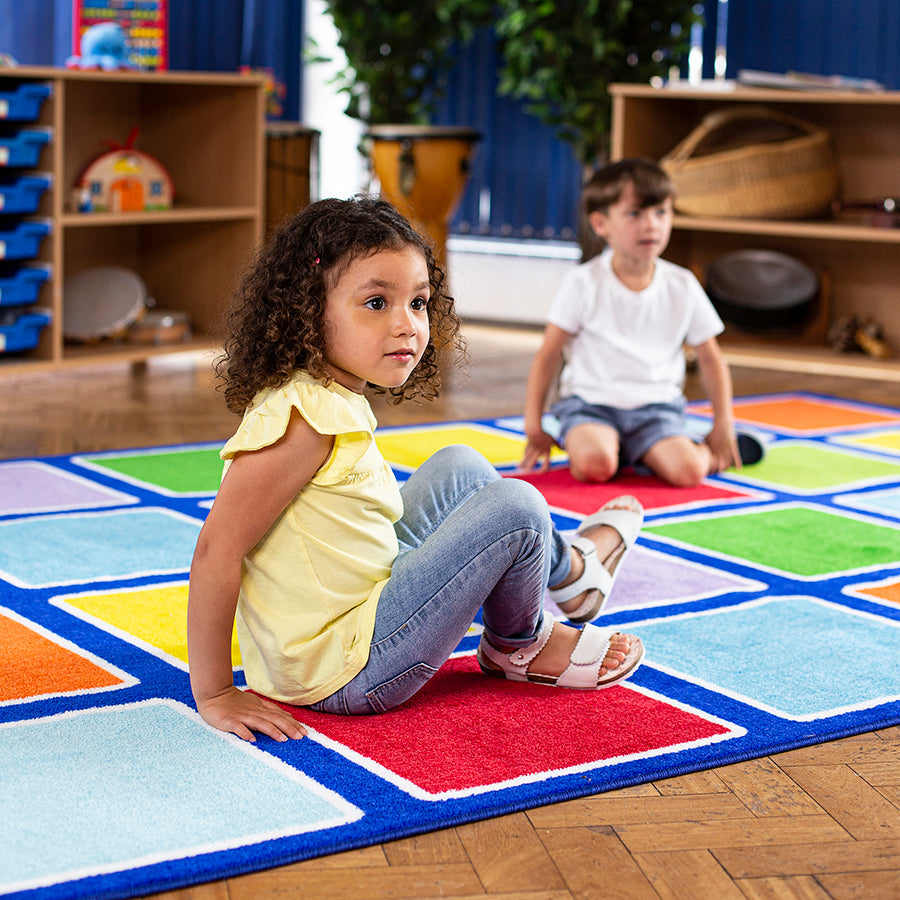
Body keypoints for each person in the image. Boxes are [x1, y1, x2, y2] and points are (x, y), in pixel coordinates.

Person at [187, 196, 646, 743]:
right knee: (517, 508)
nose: (408, 325)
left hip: (361, 612)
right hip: (349, 671)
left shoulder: (326, 395)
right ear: (309, 309)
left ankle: (572, 571)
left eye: (419, 303)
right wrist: (214, 692)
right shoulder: (303, 419)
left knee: (462, 465)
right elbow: (217, 549)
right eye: (377, 302)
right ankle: (519, 641)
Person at [521, 158, 764, 487]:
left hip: (657, 410)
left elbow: (710, 357)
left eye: (661, 212)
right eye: (634, 214)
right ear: (600, 223)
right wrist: (534, 424)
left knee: (688, 472)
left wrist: (723, 422)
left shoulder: (682, 284)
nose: (651, 225)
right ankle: (622, 453)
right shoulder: (583, 282)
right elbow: (548, 354)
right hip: (592, 407)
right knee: (596, 465)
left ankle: (701, 452)